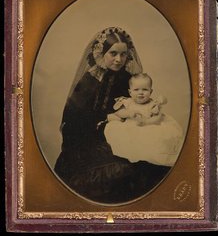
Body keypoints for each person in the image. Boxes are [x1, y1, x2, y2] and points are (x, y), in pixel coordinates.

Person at [54, 27, 170, 204]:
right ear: (102, 53)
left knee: (150, 159)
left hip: (119, 134)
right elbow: (73, 121)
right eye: (113, 53)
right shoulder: (89, 80)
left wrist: (147, 109)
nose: (118, 59)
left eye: (123, 55)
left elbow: (137, 103)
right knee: (118, 170)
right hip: (86, 138)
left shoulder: (127, 79)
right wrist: (108, 119)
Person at [105, 73, 184, 166]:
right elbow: (118, 113)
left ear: (151, 91)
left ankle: (149, 155)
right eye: (136, 89)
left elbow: (157, 118)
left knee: (155, 139)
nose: (140, 92)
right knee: (125, 136)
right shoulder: (128, 102)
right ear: (130, 92)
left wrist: (146, 122)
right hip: (131, 126)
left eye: (145, 89)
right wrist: (128, 113)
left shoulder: (152, 104)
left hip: (149, 126)